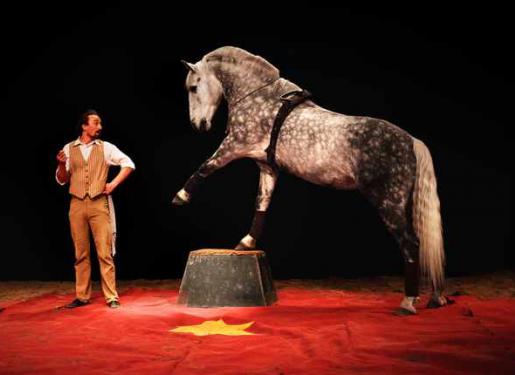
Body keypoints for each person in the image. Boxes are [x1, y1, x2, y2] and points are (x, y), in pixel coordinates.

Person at [56, 109, 135, 309]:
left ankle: (111, 296)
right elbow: (62, 180)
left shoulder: (106, 147)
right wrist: (60, 165)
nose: (99, 127)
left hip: (99, 203)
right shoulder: (68, 148)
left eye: (100, 123)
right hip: (76, 204)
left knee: (104, 251)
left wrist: (113, 184)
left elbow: (128, 164)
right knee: (80, 253)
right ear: (84, 126)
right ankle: (82, 296)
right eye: (95, 123)